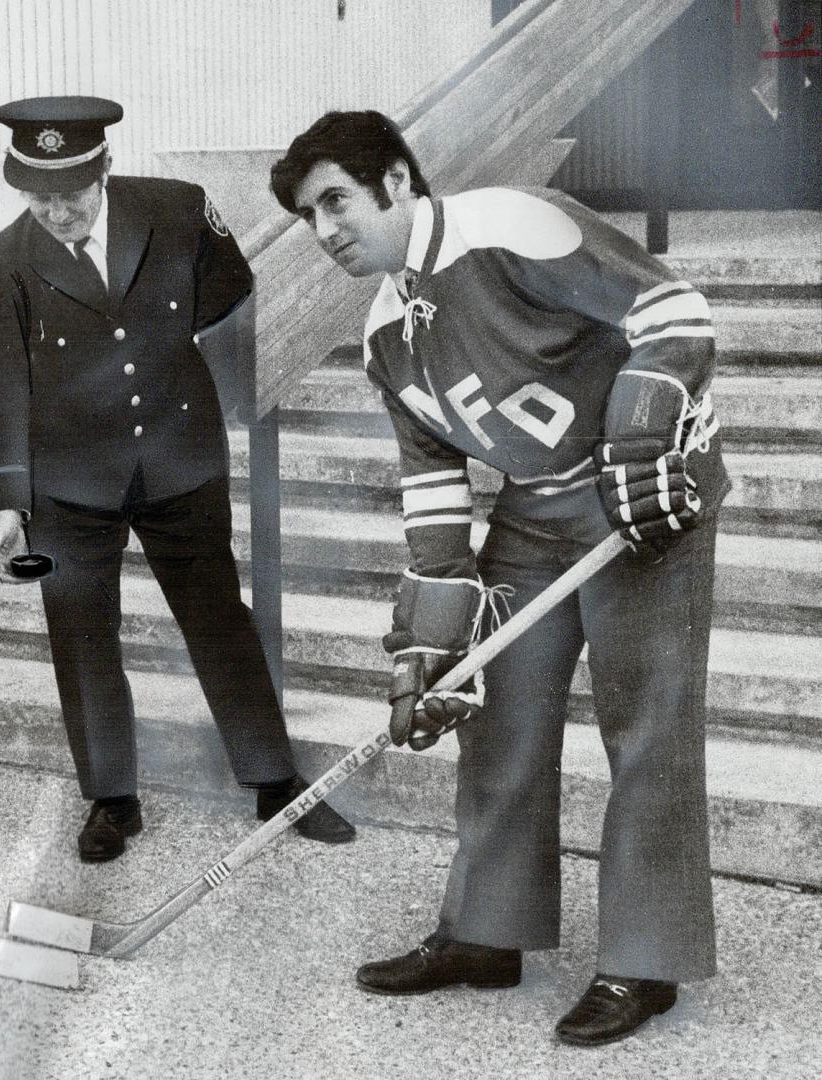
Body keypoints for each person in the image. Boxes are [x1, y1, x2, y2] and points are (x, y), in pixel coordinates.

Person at [270, 111, 728, 1047]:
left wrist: (644, 427)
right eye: (308, 217)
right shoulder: (385, 333)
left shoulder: (511, 222)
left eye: (336, 201)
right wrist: (431, 639)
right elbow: (435, 489)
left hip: (637, 499)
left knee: (646, 730)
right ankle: (488, 934)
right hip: (532, 511)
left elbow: (672, 311)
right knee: (497, 715)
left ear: (397, 180)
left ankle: (644, 961)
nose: (326, 230)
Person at [0, 96, 356, 862]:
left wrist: (203, 379)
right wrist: (8, 505)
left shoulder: (177, 211)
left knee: (218, 617)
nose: (57, 214)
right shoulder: (2, 261)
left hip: (179, 459)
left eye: (71, 196)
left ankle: (276, 781)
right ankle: (112, 800)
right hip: (70, 484)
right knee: (81, 637)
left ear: (104, 170)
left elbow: (231, 290)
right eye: (39, 199)